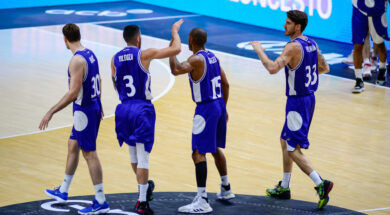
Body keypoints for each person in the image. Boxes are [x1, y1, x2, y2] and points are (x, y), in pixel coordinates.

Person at [250, 10, 333, 209]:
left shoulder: (292, 47)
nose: (284, 26)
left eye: (287, 23)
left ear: (297, 26)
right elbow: (324, 68)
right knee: (284, 139)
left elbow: (272, 68)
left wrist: (259, 50)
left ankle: (321, 184)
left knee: (293, 149)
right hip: (309, 99)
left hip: (297, 102)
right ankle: (285, 187)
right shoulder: (311, 43)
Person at [111, 19, 183, 214]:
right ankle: (142, 202)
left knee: (133, 155)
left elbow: (115, 84)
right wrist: (174, 31)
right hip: (141, 108)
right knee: (143, 158)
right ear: (138, 38)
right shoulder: (145, 54)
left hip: (124, 108)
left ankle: (145, 187)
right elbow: (177, 49)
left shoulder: (114, 59)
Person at [39, 23, 109, 214]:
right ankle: (63, 190)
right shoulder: (90, 53)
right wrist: (100, 102)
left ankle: (101, 200)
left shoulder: (76, 61)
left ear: (65, 39)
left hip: (84, 111)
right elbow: (99, 79)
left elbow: (73, 93)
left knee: (89, 153)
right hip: (91, 107)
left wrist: (51, 111)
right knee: (72, 144)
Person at [170, 27, 235, 214]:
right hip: (219, 105)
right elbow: (226, 83)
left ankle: (202, 199)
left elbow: (175, 70)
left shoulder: (196, 59)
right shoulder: (212, 56)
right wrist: (224, 107)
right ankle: (226, 188)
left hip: (206, 108)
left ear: (191, 40)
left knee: (198, 152)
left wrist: (173, 49)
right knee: (214, 148)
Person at [352, 0, 389, 93]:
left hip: (377, 9)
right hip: (359, 8)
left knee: (379, 44)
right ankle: (359, 80)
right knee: (357, 45)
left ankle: (382, 68)